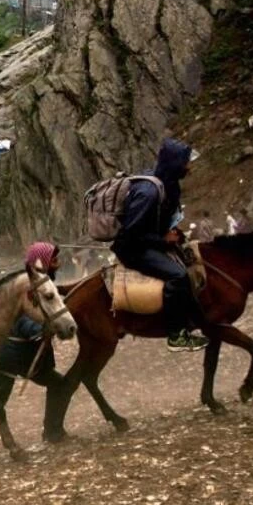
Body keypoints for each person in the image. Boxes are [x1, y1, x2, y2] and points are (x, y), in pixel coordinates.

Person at [0, 243, 65, 458]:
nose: (59, 263)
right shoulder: (28, 288)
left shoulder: (44, 284)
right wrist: (42, 328)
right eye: (53, 260)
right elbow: (22, 322)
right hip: (14, 353)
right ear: (42, 262)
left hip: (19, 352)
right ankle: (52, 432)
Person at [111, 137, 209, 352]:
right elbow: (130, 233)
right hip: (133, 249)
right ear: (175, 164)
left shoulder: (169, 184)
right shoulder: (148, 192)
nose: (189, 167)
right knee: (178, 276)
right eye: (185, 162)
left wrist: (171, 233)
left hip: (149, 241)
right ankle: (176, 335)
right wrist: (162, 240)